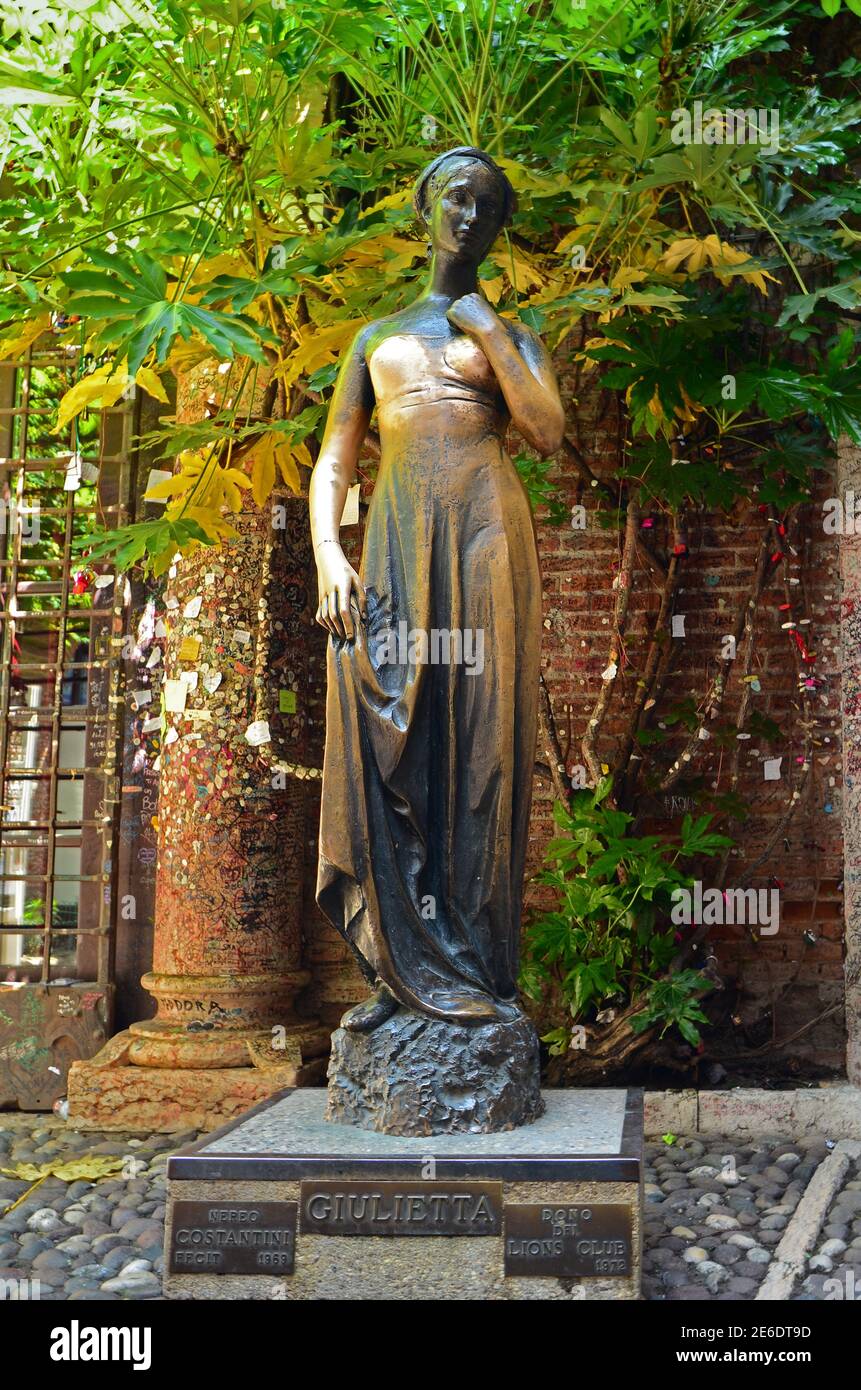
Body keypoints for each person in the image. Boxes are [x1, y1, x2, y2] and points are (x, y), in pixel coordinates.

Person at [309, 147, 564, 1033]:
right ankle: (401, 971)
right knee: (387, 733)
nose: (468, 216)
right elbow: (338, 457)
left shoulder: (510, 333)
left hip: (486, 540)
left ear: (498, 228)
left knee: (485, 748)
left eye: (488, 207)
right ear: (424, 208)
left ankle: (481, 976)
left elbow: (544, 432)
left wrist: (489, 331)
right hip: (389, 546)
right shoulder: (375, 338)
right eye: (456, 198)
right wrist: (327, 555)